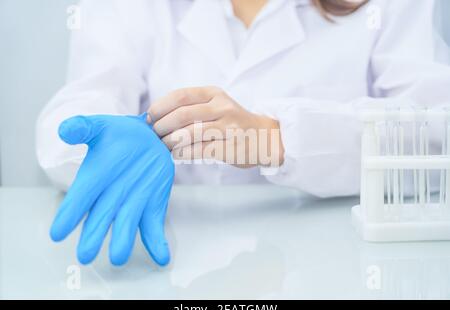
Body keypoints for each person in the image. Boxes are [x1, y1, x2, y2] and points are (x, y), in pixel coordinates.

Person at [37, 0, 450, 198]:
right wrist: (100, 151)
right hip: (171, 251)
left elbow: (439, 132)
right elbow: (78, 112)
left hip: (331, 263)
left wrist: (280, 138)